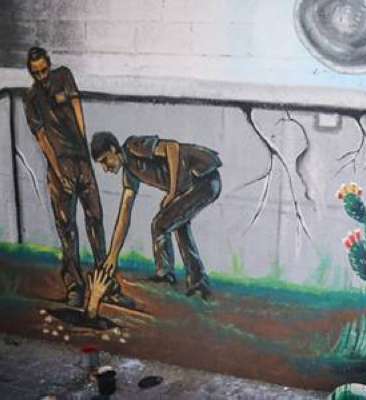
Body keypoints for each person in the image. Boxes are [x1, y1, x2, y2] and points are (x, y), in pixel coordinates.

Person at [22, 47, 129, 307]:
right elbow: (42, 139)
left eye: (44, 70)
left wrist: (83, 145)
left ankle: (105, 281)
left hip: (81, 161)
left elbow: (77, 107)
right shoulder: (32, 98)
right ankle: (74, 285)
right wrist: (59, 173)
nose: (42, 76)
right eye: (36, 73)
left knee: (95, 218)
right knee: (66, 227)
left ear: (49, 64)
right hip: (59, 166)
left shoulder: (64, 76)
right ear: (31, 73)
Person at [91, 132, 221, 300]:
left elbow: (172, 147)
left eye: (104, 160)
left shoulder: (133, 146)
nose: (105, 168)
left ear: (113, 149)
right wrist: (112, 256)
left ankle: (165, 276)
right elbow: (125, 213)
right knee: (176, 223)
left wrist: (172, 192)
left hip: (203, 177)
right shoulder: (130, 173)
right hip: (200, 183)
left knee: (160, 225)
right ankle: (199, 282)